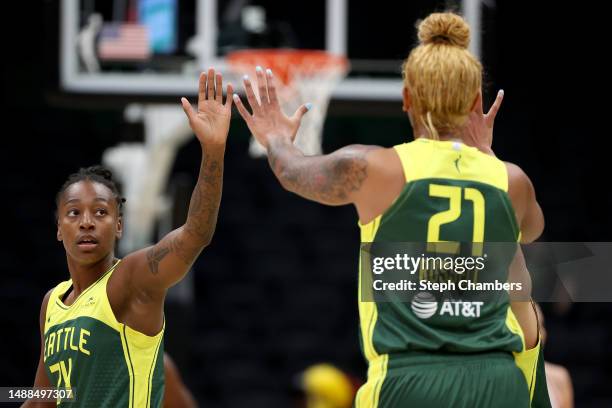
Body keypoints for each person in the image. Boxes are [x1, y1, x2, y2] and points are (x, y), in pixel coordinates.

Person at [233, 12, 550, 407]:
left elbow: (290, 171)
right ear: (474, 103)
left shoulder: (372, 168)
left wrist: (277, 138)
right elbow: (532, 231)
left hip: (411, 381)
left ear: (406, 98)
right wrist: (487, 157)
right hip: (498, 382)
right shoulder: (512, 180)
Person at [22, 68, 232, 407]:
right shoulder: (53, 303)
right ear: (59, 227)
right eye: (74, 213)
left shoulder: (131, 278)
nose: (87, 222)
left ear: (119, 226)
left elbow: (195, 234)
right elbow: (44, 398)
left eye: (101, 212)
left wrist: (213, 151)